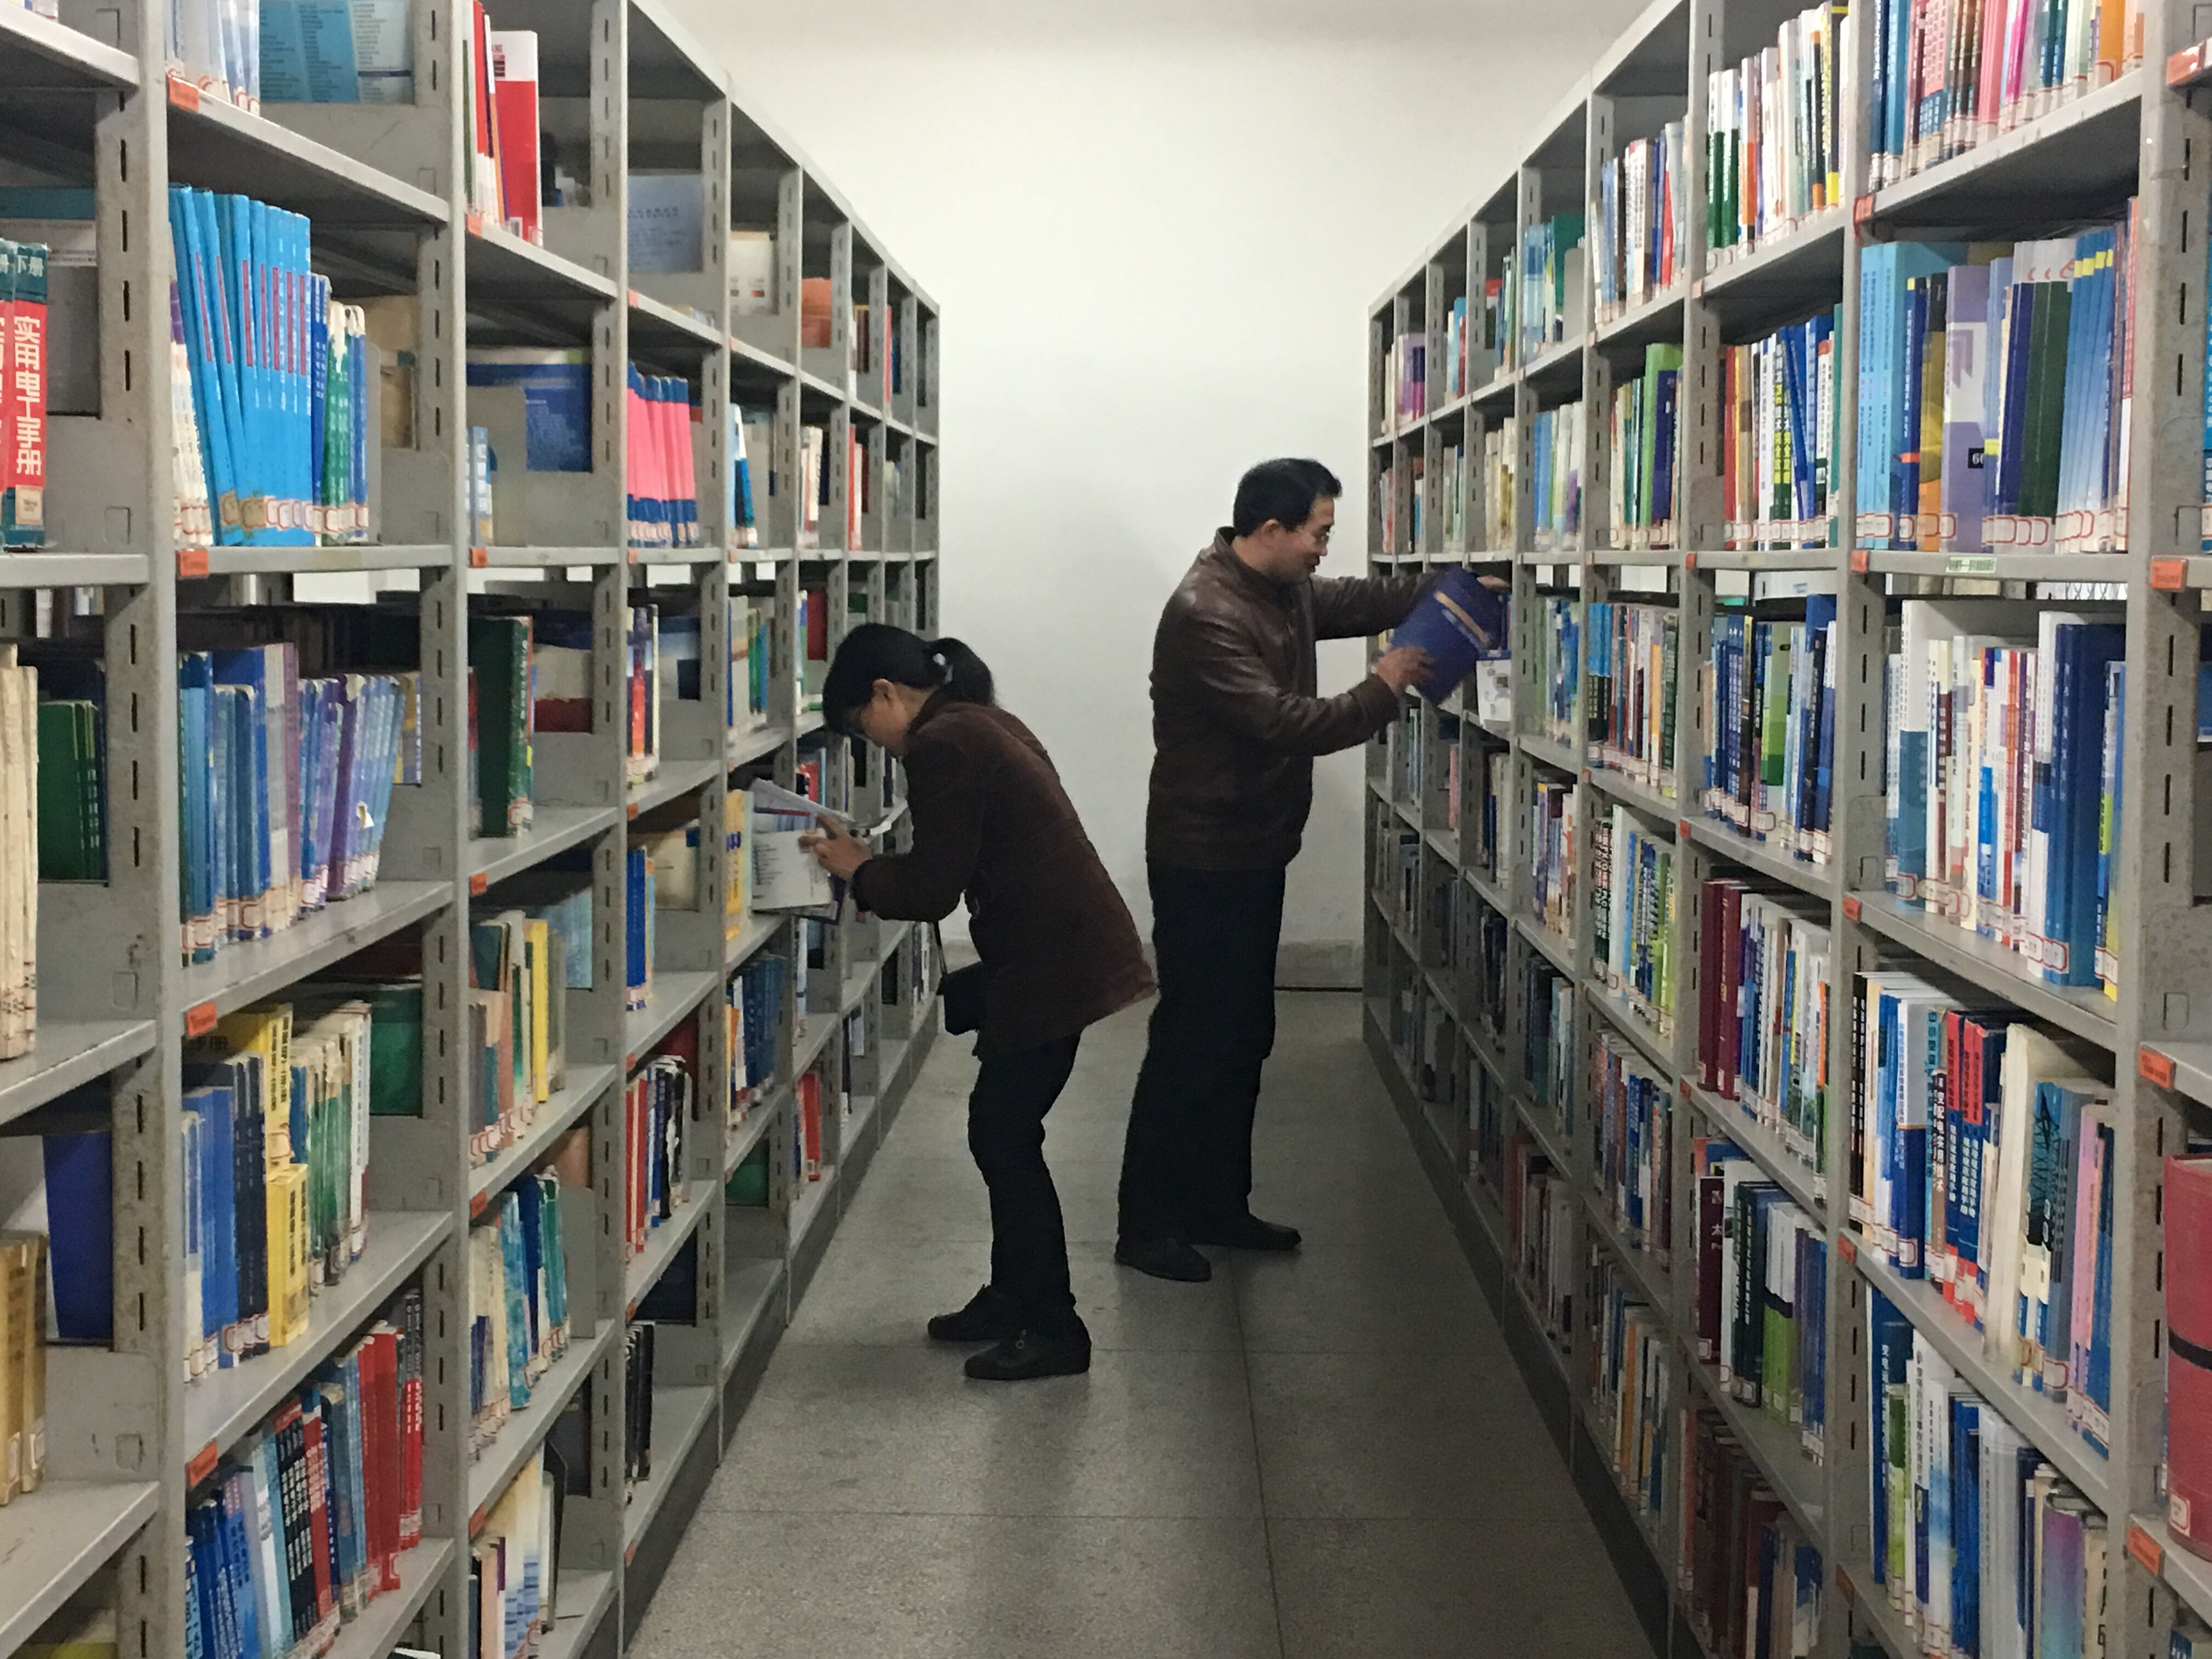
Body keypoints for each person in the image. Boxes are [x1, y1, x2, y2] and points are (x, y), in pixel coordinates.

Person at [1115, 457, 1438, 1283]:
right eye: (1319, 534)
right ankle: (1147, 1225)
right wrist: (1384, 687)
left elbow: (1352, 601)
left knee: (1244, 1035)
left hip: (1255, 846)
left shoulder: (1276, 586)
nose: (1325, 549)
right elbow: (1286, 722)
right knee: (1192, 1039)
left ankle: (1218, 1204)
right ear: (1271, 530)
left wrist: (1454, 590)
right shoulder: (1207, 611)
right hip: (1203, 857)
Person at [803, 624, 1153, 1380]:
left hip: (1053, 960)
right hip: (1059, 947)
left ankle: (1054, 1326)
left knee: (1004, 1135)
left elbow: (933, 890)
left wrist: (859, 869)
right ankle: (1011, 1296)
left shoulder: (944, 745)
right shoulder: (977, 718)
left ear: (884, 694)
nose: (874, 747)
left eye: (863, 728)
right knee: (1003, 1130)